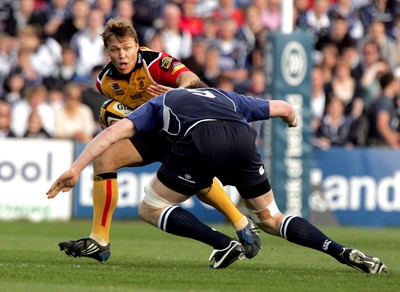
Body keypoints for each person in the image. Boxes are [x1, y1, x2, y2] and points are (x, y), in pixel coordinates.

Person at [47, 85, 387, 274]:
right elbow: (283, 106)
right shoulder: (228, 96)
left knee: (151, 208)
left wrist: (76, 168)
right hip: (242, 139)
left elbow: (111, 136)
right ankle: (342, 251)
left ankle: (221, 243)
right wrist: (292, 120)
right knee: (271, 218)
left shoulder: (161, 101)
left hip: (200, 140)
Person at [57, 17, 257, 263]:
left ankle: (240, 221)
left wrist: (177, 93)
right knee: (104, 159)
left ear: (137, 45)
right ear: (107, 52)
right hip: (155, 133)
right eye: (115, 50)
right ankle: (99, 240)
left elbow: (194, 81)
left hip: (185, 132)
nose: (122, 55)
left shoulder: (155, 63)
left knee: (198, 183)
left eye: (127, 48)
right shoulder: (105, 82)